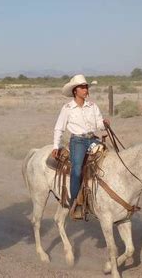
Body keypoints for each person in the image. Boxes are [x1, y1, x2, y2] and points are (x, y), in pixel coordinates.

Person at [52, 74, 109, 218]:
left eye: (86, 87)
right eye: (82, 87)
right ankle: (74, 203)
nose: (86, 89)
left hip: (92, 139)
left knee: (109, 159)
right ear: (75, 91)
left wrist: (104, 123)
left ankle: (101, 198)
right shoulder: (67, 108)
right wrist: (55, 145)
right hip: (77, 141)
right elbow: (59, 128)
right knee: (77, 170)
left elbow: (98, 124)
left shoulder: (92, 106)